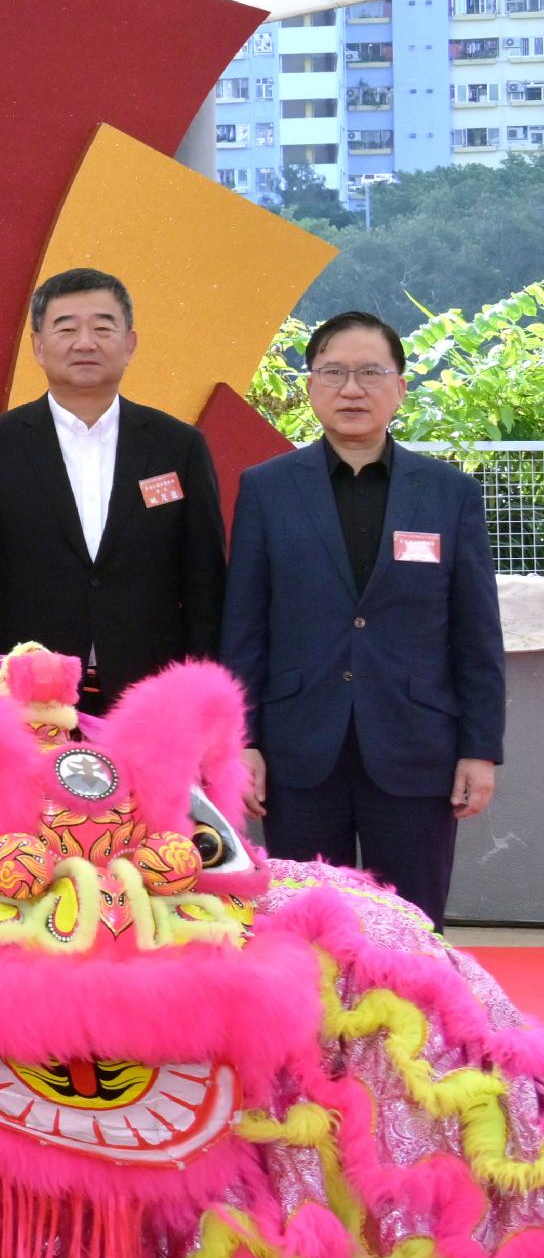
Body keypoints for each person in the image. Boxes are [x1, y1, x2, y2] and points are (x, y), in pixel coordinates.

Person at [222, 311, 502, 916]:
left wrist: (480, 749)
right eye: (335, 372)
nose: (353, 389)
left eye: (371, 372)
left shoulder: (448, 493)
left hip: (417, 748)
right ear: (311, 387)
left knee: (413, 923)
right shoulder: (267, 489)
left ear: (400, 387)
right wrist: (240, 742)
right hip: (298, 751)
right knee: (306, 925)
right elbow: (244, 628)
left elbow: (476, 633)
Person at [0, 267, 223, 712]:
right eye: (67, 328)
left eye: (103, 327)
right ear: (37, 346)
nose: (85, 342)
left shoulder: (177, 446)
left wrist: (206, 694)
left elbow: (205, 582)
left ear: (129, 343)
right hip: (25, 696)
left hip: (152, 694)